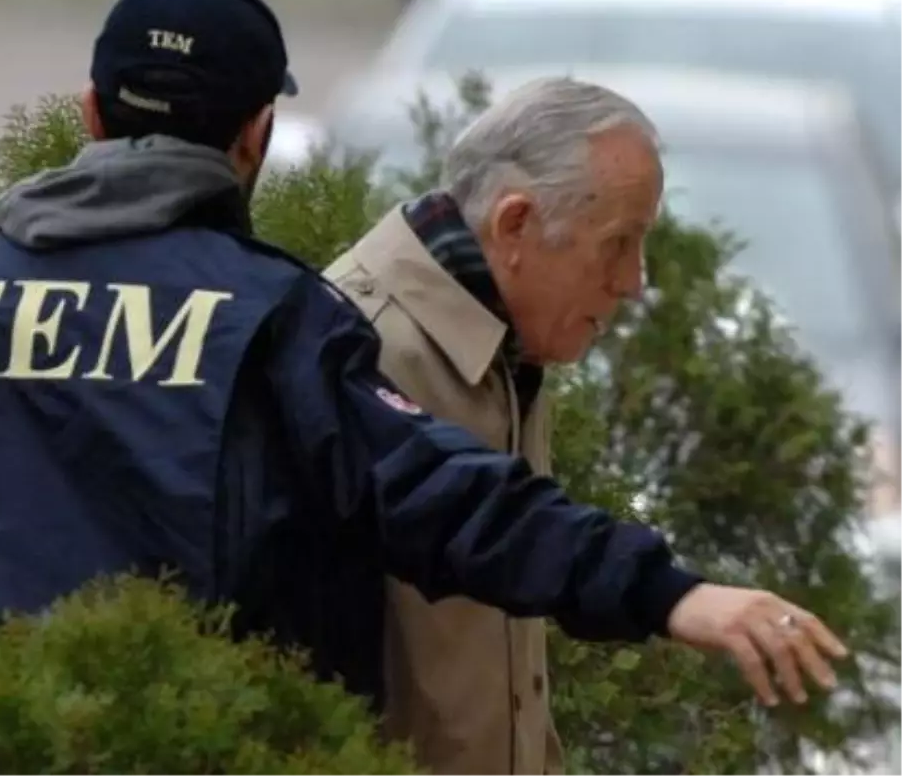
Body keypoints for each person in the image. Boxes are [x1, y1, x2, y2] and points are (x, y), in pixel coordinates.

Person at [0, 0, 847, 715]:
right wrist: (670, 592)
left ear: (91, 115)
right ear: (255, 137)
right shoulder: (270, 319)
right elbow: (446, 497)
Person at [323, 76, 843, 774]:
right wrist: (673, 595)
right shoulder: (359, 348)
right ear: (514, 225)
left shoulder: (502, 340)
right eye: (618, 242)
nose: (635, 279)